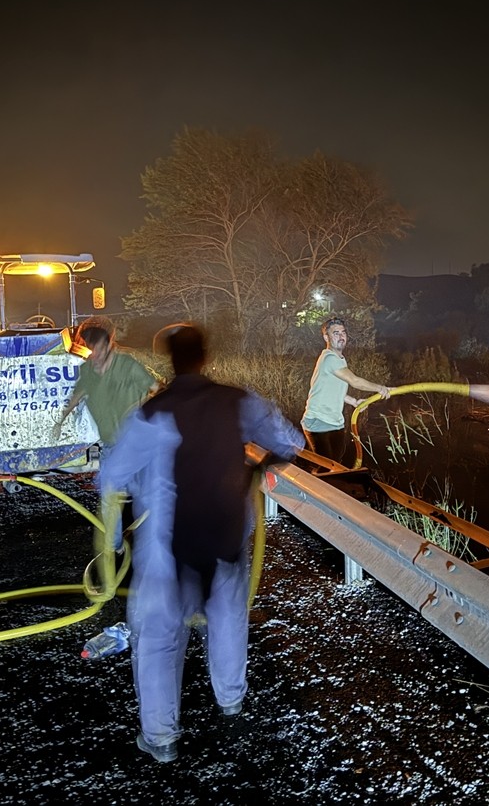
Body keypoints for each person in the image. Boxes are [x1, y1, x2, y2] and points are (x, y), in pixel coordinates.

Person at [99, 324, 305, 764]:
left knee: (157, 640)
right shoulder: (239, 402)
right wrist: (255, 463)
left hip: (167, 551)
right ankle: (230, 705)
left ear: (170, 362)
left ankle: (161, 739)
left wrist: (115, 540)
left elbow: (112, 476)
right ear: (204, 358)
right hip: (226, 539)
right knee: (228, 624)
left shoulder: (152, 414)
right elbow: (292, 442)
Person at [53, 322, 160, 452]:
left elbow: (158, 391)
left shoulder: (128, 365)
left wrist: (140, 413)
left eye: (100, 352)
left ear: (109, 345)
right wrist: (59, 423)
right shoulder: (87, 371)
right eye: (92, 352)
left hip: (135, 444)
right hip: (109, 445)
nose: (95, 358)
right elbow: (75, 398)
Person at [300, 316, 391, 463]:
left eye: (343, 332)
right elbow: (355, 381)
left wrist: (354, 401)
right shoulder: (330, 359)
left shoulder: (340, 360)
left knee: (334, 465)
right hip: (318, 420)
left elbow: (330, 389)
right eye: (336, 333)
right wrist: (380, 388)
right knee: (326, 468)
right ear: (326, 337)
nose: (341, 336)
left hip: (335, 422)